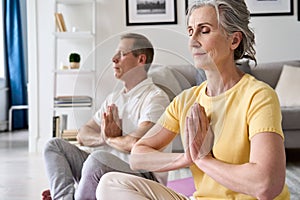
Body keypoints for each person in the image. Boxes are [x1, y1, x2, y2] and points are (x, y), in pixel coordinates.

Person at [96, 1, 290, 199]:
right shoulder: (187, 100)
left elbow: (267, 185)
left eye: (204, 31)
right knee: (110, 184)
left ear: (234, 40)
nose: (193, 41)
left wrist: (203, 158)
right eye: (190, 31)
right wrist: (187, 157)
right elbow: (138, 156)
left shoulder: (258, 96)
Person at [42, 33, 170, 200]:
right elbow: (83, 134)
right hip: (102, 168)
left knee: (97, 158)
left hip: (143, 177)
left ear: (141, 60)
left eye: (122, 54)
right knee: (54, 146)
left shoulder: (156, 98)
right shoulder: (114, 98)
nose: (114, 59)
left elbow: (138, 144)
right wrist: (104, 137)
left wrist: (111, 139)